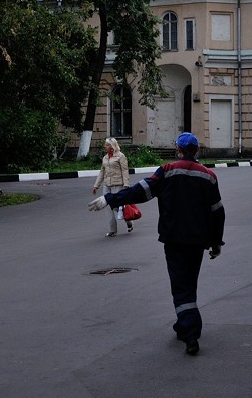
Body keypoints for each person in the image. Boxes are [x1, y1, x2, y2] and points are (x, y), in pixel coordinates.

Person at [88, 132, 225, 356]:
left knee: (181, 285)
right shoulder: (208, 176)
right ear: (197, 151)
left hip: (173, 239)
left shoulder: (167, 170)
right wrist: (216, 242)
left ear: (178, 149)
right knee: (189, 282)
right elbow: (217, 212)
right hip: (197, 240)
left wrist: (109, 199)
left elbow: (139, 192)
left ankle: (191, 332)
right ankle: (184, 324)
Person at [91, 137, 132, 237]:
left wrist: (126, 184)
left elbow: (125, 170)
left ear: (112, 146)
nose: (105, 146)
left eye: (107, 145)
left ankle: (128, 220)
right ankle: (112, 230)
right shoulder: (105, 158)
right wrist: (96, 185)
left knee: (117, 207)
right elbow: (102, 171)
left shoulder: (120, 156)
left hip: (118, 184)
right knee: (108, 207)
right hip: (107, 185)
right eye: (105, 145)